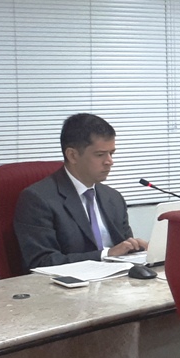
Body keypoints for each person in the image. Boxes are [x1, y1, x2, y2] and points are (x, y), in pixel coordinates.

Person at [15, 113, 147, 269]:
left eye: (111, 153)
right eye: (100, 155)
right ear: (72, 155)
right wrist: (105, 255)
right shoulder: (38, 199)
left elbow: (122, 249)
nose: (109, 161)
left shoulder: (113, 197)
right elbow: (42, 262)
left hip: (118, 279)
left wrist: (136, 249)